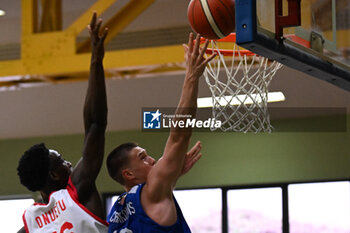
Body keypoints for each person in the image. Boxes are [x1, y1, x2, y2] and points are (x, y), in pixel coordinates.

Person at [106, 33, 216, 233]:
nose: (152, 159)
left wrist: (171, 176)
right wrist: (191, 77)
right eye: (143, 158)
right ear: (129, 173)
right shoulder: (152, 191)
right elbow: (179, 136)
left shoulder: (116, 211)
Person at [17, 12, 109, 233]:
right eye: (62, 161)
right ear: (54, 175)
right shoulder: (77, 190)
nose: (69, 164)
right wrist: (96, 60)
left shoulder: (30, 222)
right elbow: (95, 124)